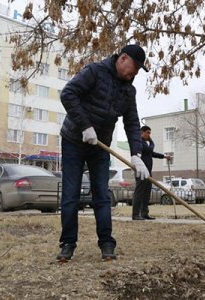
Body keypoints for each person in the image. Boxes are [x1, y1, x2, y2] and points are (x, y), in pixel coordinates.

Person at [57, 44, 150, 261]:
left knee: (102, 195)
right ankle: (68, 244)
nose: (135, 73)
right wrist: (85, 126)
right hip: (74, 139)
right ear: (123, 58)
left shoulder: (128, 90)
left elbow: (132, 123)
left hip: (100, 146)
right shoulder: (94, 71)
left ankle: (107, 244)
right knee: (71, 194)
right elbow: (68, 94)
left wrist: (136, 154)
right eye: (135, 67)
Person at [132, 126, 170, 220]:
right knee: (139, 193)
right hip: (141, 172)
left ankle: (144, 213)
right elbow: (150, 150)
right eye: (148, 133)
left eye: (150, 133)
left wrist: (164, 156)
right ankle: (135, 214)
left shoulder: (146, 143)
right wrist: (152, 142)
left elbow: (152, 153)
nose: (149, 135)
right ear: (142, 132)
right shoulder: (140, 142)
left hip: (148, 172)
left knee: (147, 194)